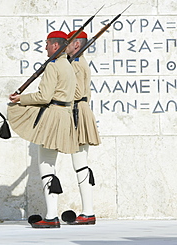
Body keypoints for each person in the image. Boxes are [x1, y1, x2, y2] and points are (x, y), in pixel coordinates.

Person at [0, 31, 78, 228]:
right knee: (48, 167)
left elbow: (44, 97)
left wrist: (21, 98)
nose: (44, 47)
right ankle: (52, 216)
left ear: (55, 46)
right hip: (63, 117)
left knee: (5, 108)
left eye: (46, 44)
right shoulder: (68, 65)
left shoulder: (54, 66)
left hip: (52, 115)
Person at [65, 30, 101, 225]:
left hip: (77, 111)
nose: (65, 46)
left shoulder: (76, 64)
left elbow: (76, 91)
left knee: (80, 164)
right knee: (80, 163)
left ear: (77, 45)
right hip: (81, 110)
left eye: (68, 43)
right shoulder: (77, 63)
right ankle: (88, 211)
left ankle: (88, 212)